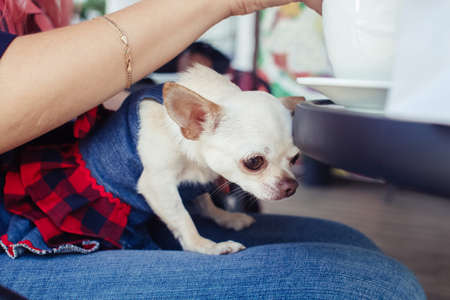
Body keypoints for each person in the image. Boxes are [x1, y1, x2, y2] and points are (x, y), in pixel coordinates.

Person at [0, 0, 425, 299]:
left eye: (290, 161)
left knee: (350, 243)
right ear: (193, 120)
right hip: (50, 226)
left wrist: (219, 210)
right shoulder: (188, 119)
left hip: (138, 212)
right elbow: (160, 181)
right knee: (377, 287)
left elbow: (197, 172)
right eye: (255, 163)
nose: (286, 179)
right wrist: (195, 240)